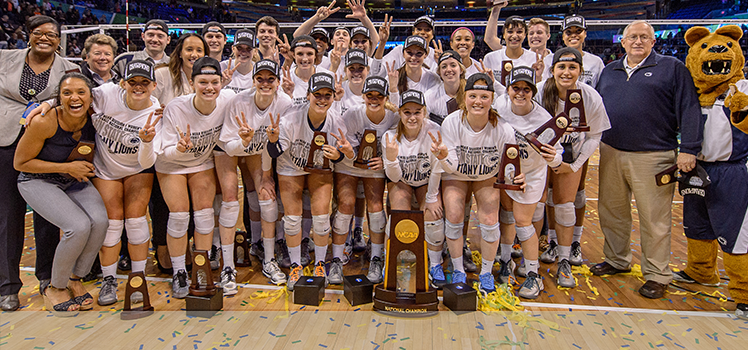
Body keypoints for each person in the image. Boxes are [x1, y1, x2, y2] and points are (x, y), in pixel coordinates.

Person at [593, 20, 703, 299]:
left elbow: (689, 109)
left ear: (654, 42)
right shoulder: (609, 71)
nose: (638, 41)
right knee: (611, 211)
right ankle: (617, 259)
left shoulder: (672, 68)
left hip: (654, 155)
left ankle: (656, 274)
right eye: (633, 37)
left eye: (644, 37)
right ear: (623, 41)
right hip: (612, 151)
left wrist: (689, 148)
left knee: (654, 218)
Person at [0, 15, 80, 312]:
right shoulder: (5, 59)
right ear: (28, 34)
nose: (44, 37)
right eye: (38, 32)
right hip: (6, 142)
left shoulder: (68, 69)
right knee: (8, 215)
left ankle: (46, 277)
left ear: (59, 40)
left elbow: (74, 100)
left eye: (51, 34)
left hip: (47, 147)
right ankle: (8, 286)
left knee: (47, 217)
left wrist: (50, 104)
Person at [14, 73, 108, 316]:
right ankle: (55, 287)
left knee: (99, 222)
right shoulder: (44, 121)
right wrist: (67, 167)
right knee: (77, 226)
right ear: (58, 98)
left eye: (80, 92)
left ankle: (75, 279)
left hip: (73, 180)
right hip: (37, 180)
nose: (74, 98)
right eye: (67, 93)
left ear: (91, 97)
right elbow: (21, 163)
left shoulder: (94, 116)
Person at [155, 57, 235, 298]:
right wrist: (179, 149)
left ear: (222, 82)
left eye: (214, 82)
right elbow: (164, 150)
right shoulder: (176, 108)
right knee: (179, 215)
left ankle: (201, 268)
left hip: (201, 162)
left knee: (204, 214)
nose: (209, 87)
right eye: (203, 82)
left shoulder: (228, 100)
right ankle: (179, 271)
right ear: (192, 83)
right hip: (171, 163)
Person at [535, 48, 611, 287]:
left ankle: (565, 260)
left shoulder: (590, 96)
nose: (566, 72)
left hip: (571, 156)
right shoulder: (540, 92)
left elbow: (594, 135)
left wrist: (575, 165)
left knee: (566, 205)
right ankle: (535, 259)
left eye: (572, 67)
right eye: (562, 67)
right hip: (541, 156)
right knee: (539, 205)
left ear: (580, 70)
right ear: (553, 69)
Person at [438, 73, 519, 294]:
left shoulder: (503, 129)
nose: (478, 101)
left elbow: (510, 164)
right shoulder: (452, 122)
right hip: (457, 173)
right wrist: (444, 157)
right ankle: (457, 270)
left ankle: (485, 272)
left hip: (486, 176)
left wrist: (516, 176)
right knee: (454, 215)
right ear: (465, 98)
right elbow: (450, 165)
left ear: (491, 99)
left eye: (484, 96)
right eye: (473, 96)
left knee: (490, 219)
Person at [267, 72, 346, 290]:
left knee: (321, 219)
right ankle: (295, 266)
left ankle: (320, 263)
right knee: (292, 220)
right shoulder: (292, 118)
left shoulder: (337, 121)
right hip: (290, 166)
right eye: (317, 94)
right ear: (309, 94)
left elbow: (341, 156)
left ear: (333, 97)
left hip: (320, 168)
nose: (322, 99)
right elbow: (274, 152)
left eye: (327, 95)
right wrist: (273, 141)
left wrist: (338, 155)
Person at [219, 59, 293, 286]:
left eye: (270, 79)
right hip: (228, 148)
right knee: (230, 200)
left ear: (278, 82)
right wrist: (243, 142)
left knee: (266, 195)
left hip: (259, 149)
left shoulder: (285, 103)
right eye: (260, 79)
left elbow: (270, 145)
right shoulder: (237, 101)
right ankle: (228, 266)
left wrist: (266, 175)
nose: (265, 83)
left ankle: (268, 258)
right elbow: (229, 147)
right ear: (253, 82)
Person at [494, 67, 562, 299]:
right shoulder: (499, 106)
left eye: (526, 89)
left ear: (533, 91)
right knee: (505, 214)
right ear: (509, 89)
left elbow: (557, 152)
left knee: (523, 222)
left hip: (531, 173)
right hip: (504, 169)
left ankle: (533, 274)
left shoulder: (543, 118)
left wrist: (555, 158)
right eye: (516, 88)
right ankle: (506, 261)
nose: (520, 93)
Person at [333, 76, 399, 284]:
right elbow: (347, 150)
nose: (374, 99)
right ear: (363, 96)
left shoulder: (394, 118)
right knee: (346, 203)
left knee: (376, 207)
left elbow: (400, 148)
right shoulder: (353, 114)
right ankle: (337, 257)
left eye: (379, 96)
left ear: (386, 97)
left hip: (374, 167)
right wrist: (350, 155)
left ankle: (377, 257)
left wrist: (387, 163)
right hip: (349, 164)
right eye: (370, 95)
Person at [371, 15, 437, 78]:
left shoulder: (436, 55)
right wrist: (382, 42)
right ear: (413, 32)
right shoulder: (399, 51)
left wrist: (440, 63)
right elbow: (376, 73)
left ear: (432, 35)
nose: (422, 32)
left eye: (427, 30)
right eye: (419, 29)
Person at [153, 33, 207, 106]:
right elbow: (148, 106)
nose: (194, 55)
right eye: (189, 49)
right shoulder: (162, 74)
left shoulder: (208, 78)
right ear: (180, 53)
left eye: (199, 50)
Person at [221, 29, 256, 93]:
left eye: (248, 49)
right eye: (239, 48)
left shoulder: (259, 71)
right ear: (233, 49)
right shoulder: (221, 67)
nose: (243, 52)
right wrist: (221, 85)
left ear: (255, 51)